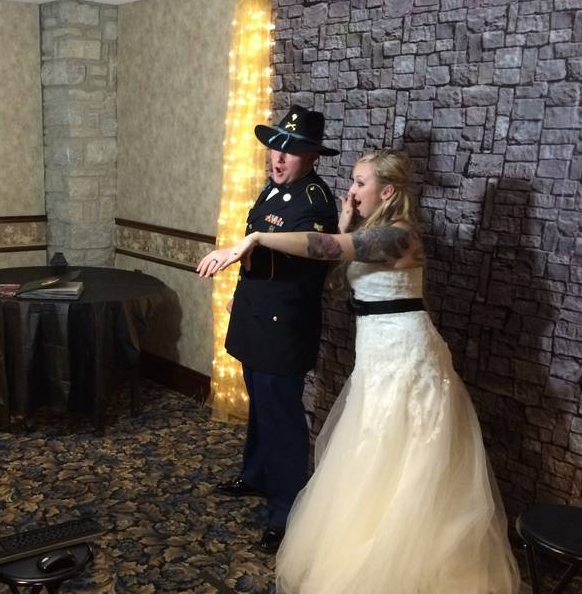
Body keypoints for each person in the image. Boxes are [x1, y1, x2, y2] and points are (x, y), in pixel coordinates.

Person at [198, 149, 519, 593]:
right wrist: (346, 220)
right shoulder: (371, 229)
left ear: (387, 191)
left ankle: (400, 559)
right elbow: (334, 262)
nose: (351, 190)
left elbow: (325, 246)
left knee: (400, 453)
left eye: (360, 182)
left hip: (405, 356)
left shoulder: (398, 236)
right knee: (372, 447)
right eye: (352, 180)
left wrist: (254, 240)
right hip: (377, 353)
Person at [211, 105, 339, 553]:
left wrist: (253, 249)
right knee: (260, 404)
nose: (278, 159)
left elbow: (308, 254)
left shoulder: (316, 201)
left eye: (291, 151)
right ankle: (257, 475)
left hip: (284, 324)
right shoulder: (272, 191)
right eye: (275, 148)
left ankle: (286, 507)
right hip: (255, 314)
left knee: (282, 415)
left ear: (312, 157)